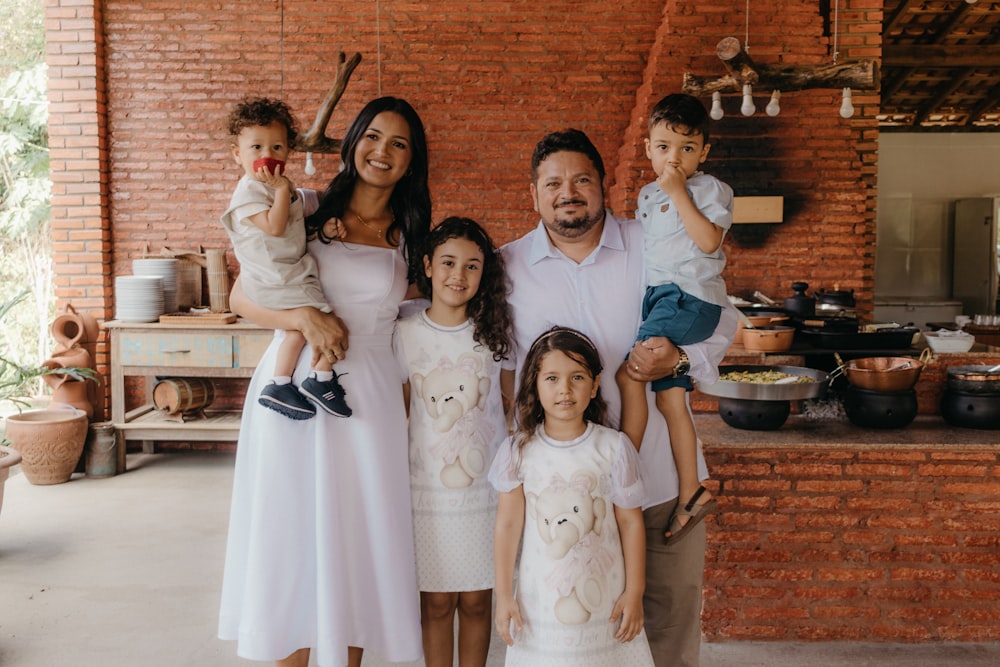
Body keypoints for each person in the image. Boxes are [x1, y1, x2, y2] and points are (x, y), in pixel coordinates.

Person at [500, 128, 737, 666]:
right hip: (560, 495)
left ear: (605, 186)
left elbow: (722, 320)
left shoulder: (655, 241)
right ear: (534, 193)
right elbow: (500, 370)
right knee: (575, 635)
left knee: (670, 624)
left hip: (657, 482)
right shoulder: (506, 267)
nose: (569, 191)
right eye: (553, 182)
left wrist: (678, 361)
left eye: (582, 178)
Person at [218, 96, 432, 667]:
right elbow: (243, 296)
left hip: (370, 398)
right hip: (294, 390)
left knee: (357, 545)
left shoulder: (413, 234)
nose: (381, 151)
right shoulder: (304, 207)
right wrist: (302, 318)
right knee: (291, 540)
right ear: (352, 140)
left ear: (412, 161)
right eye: (372, 136)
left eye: (399, 143)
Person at [490, 326, 653, 667]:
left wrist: (634, 591)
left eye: (577, 377)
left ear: (594, 385)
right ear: (535, 384)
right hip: (540, 600)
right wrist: (504, 596)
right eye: (551, 378)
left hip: (604, 597)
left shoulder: (613, 447)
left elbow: (630, 522)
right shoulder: (519, 451)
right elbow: (507, 525)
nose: (564, 389)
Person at [394, 216, 514, 667]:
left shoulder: (495, 335)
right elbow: (400, 415)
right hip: (426, 494)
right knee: (438, 603)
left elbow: (509, 408)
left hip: (484, 493)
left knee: (479, 602)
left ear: (484, 275)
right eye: (447, 262)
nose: (457, 276)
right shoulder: (405, 334)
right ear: (426, 265)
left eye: (471, 266)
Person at [615, 93, 733, 543]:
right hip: (660, 298)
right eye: (664, 146)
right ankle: (691, 492)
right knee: (669, 401)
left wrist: (679, 191)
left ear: (704, 152)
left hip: (689, 298)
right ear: (647, 148)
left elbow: (707, 243)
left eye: (687, 148)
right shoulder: (646, 194)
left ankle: (622, 479)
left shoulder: (710, 189)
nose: (674, 158)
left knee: (631, 377)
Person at [221, 97, 351, 420]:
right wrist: (281, 190)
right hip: (272, 279)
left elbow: (293, 231)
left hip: (286, 272)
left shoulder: (285, 190)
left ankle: (281, 383)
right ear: (237, 153)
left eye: (277, 147)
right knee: (328, 321)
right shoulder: (249, 193)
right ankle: (320, 378)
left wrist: (322, 230)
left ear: (288, 151)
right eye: (256, 148)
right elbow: (276, 227)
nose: (268, 156)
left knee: (296, 332)